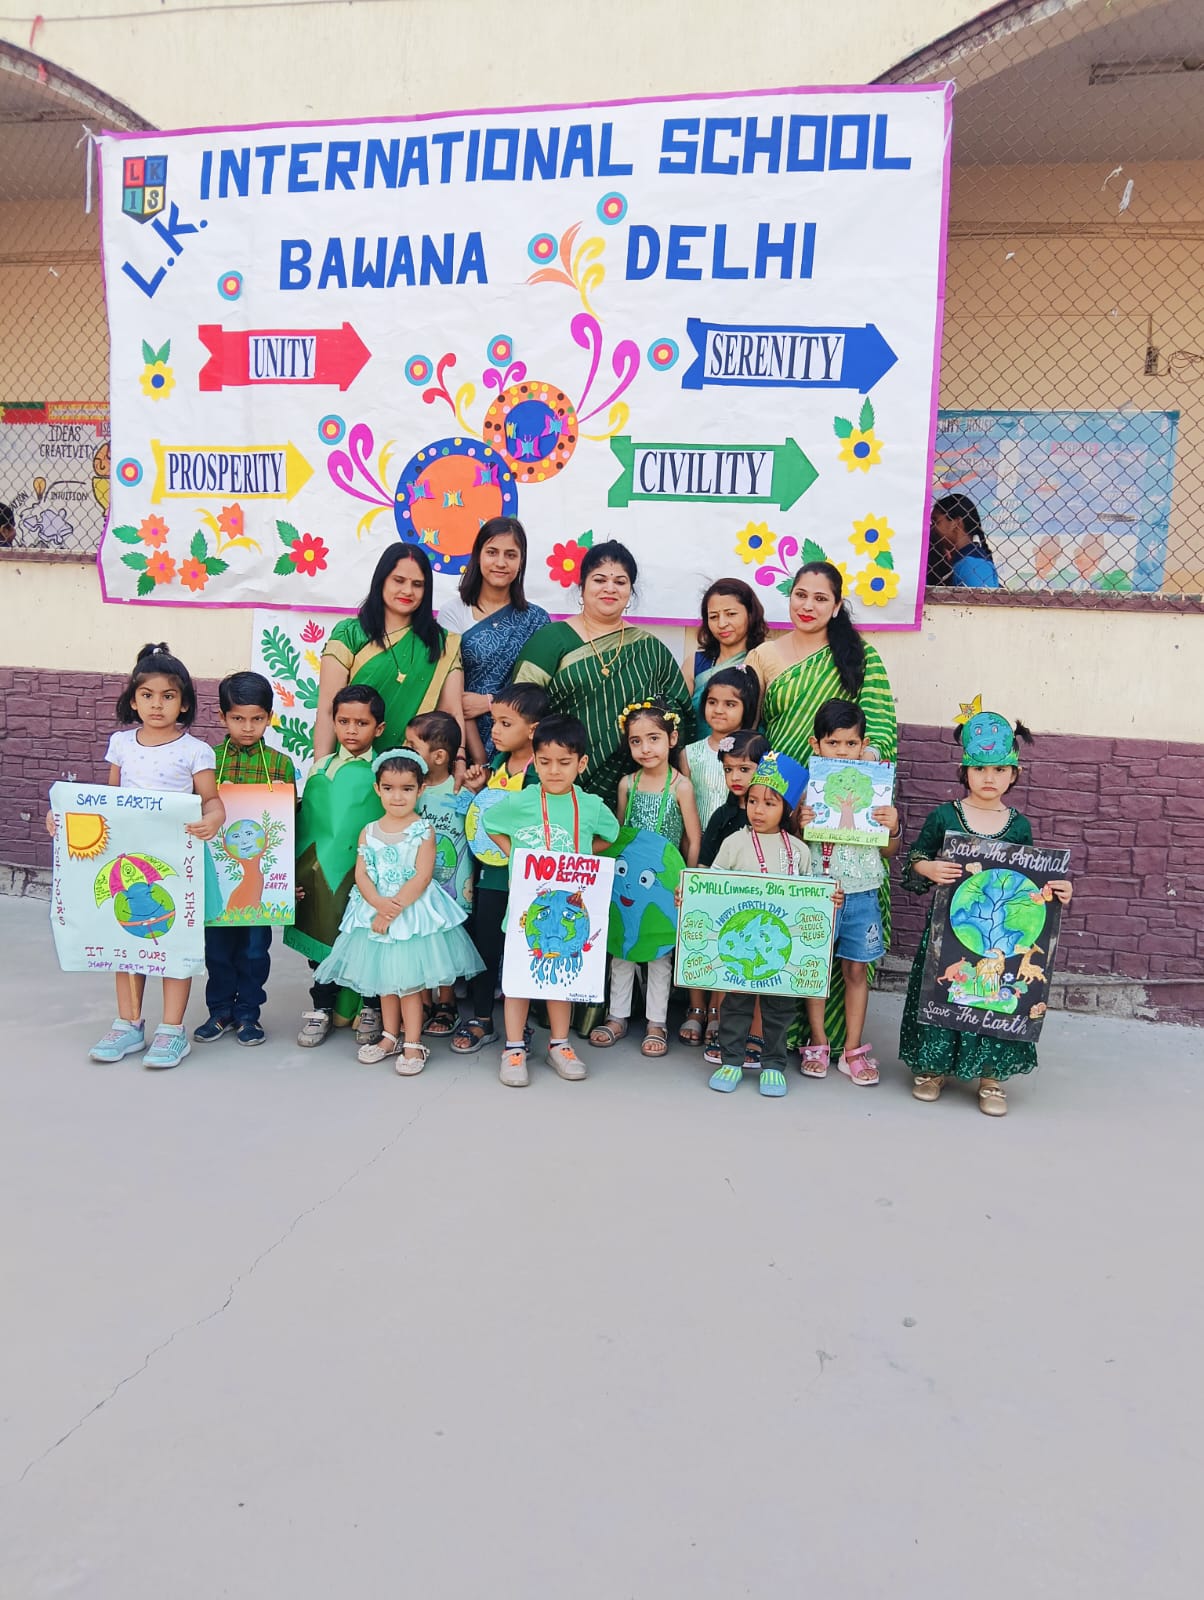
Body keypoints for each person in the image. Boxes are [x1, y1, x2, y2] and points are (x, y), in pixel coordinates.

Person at [46, 642, 224, 1069]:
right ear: (133, 700)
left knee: (174, 942)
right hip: (129, 865)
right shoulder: (122, 743)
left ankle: (172, 1030)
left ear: (184, 704)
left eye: (168, 696)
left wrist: (214, 819)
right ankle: (128, 1024)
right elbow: (108, 802)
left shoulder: (195, 750)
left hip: (174, 866)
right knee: (124, 938)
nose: (157, 705)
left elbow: (212, 800)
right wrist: (64, 819)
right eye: (147, 695)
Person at [745, 561, 897, 1055]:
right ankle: (785, 1032)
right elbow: (754, 728)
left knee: (844, 930)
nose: (807, 606)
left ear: (836, 605)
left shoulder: (860, 657)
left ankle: (835, 1039)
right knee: (789, 915)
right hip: (781, 795)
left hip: (844, 804)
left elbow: (880, 729)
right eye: (800, 595)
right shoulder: (765, 655)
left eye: (820, 598)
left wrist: (858, 769)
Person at [900, 704, 1071, 1117]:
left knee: (994, 995)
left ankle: (991, 1076)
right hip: (952, 930)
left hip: (1000, 937)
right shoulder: (945, 816)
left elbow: (1028, 882)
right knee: (946, 991)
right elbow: (914, 859)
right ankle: (933, 1068)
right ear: (965, 771)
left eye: (999, 769)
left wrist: (1055, 890)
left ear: (1014, 774)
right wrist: (928, 867)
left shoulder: (1019, 826)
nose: (988, 777)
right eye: (979, 768)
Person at [312, 750, 483, 1074]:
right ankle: (389, 1036)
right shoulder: (369, 831)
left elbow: (422, 876)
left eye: (407, 788)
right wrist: (377, 903)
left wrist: (391, 910)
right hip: (374, 911)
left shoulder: (423, 830)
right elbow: (362, 873)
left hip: (410, 915)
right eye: (389, 788)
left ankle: (413, 1041)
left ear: (420, 790)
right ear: (377, 789)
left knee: (410, 984)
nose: (397, 796)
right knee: (385, 982)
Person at [485, 715, 620, 1088]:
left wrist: (582, 858)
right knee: (518, 980)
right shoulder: (521, 801)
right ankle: (514, 1048)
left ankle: (559, 1044)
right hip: (528, 912)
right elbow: (490, 823)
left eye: (564, 762)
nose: (554, 770)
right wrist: (514, 856)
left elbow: (610, 835)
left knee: (561, 979)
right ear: (535, 761)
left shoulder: (590, 806)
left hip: (570, 914)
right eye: (544, 762)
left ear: (582, 763)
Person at [511, 540, 694, 812]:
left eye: (620, 582)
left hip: (628, 788)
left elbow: (679, 713)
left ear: (630, 591)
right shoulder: (550, 640)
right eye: (599, 580)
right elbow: (518, 713)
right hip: (553, 779)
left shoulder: (650, 649)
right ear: (582, 586)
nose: (610, 588)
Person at [797, 699, 901, 1086]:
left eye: (851, 744)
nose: (842, 752)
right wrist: (799, 821)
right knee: (815, 966)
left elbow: (889, 852)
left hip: (863, 891)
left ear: (863, 744)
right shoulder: (808, 787)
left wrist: (893, 827)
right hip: (819, 892)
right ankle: (818, 1041)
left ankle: (852, 1049)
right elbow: (791, 842)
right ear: (816, 744)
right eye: (833, 743)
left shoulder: (877, 788)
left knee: (857, 970)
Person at [589, 699, 700, 1059]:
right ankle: (617, 1016)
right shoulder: (627, 784)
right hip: (627, 882)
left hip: (664, 885)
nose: (645, 748)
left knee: (659, 953)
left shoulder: (681, 787)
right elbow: (621, 835)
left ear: (672, 739)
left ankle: (656, 1022)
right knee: (622, 948)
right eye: (636, 741)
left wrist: (686, 881)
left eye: (654, 738)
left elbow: (693, 838)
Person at [194, 670, 297, 1049]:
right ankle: (220, 1010)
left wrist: (288, 877)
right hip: (215, 878)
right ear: (222, 717)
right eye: (238, 718)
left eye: (257, 718)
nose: (248, 727)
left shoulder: (281, 765)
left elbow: (289, 825)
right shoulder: (207, 761)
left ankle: (249, 1013)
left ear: (269, 717)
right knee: (217, 949)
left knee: (255, 950)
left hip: (262, 883)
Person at [285, 685, 385, 1048]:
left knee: (366, 940)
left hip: (368, 874)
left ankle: (371, 1006)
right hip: (317, 869)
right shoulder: (319, 768)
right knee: (321, 937)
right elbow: (304, 823)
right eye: (343, 721)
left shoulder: (384, 771)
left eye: (362, 723)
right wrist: (294, 872)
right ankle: (322, 1007)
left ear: (379, 728)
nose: (351, 730)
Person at [705, 751, 809, 1098]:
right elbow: (711, 886)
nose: (758, 810)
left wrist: (830, 899)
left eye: (769, 803)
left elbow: (810, 895)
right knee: (736, 1002)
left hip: (779, 947)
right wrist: (689, 895)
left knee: (779, 1006)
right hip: (741, 943)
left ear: (787, 809)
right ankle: (731, 1060)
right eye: (752, 801)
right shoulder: (734, 843)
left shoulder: (798, 851)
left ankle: (774, 1064)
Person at [451, 683, 548, 1056]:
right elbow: (486, 815)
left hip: (527, 878)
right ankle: (482, 1018)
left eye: (506, 723)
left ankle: (521, 1025)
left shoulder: (541, 771)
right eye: (494, 722)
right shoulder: (496, 766)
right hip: (490, 875)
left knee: (524, 947)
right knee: (486, 944)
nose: (495, 730)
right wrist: (478, 791)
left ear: (533, 730)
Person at [314, 542, 464, 760]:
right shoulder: (350, 634)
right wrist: (319, 769)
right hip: (350, 765)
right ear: (381, 581)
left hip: (413, 770)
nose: (408, 591)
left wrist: (459, 760)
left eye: (417, 584)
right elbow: (328, 709)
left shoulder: (442, 643)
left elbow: (451, 711)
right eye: (399, 580)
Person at [436, 517, 550, 764]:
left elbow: (537, 691)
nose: (500, 562)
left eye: (511, 555)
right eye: (492, 552)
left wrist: (490, 702)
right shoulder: (454, 612)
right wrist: (476, 757)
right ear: (478, 556)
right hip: (460, 737)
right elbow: (453, 691)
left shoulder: (537, 619)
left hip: (518, 745)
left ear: (521, 561)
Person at [681, 665, 759, 830]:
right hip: (701, 839)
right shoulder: (689, 754)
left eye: (730, 704)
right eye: (712, 702)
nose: (718, 710)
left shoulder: (756, 753)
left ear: (747, 707)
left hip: (742, 838)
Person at [683, 577, 767, 722]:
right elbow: (678, 714)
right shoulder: (695, 663)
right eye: (714, 617)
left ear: (750, 614)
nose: (722, 624)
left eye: (731, 614)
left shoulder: (764, 661)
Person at [927, 493, 999, 589]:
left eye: (936, 521)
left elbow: (981, 598)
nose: (932, 528)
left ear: (956, 523)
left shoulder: (971, 564)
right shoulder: (963, 560)